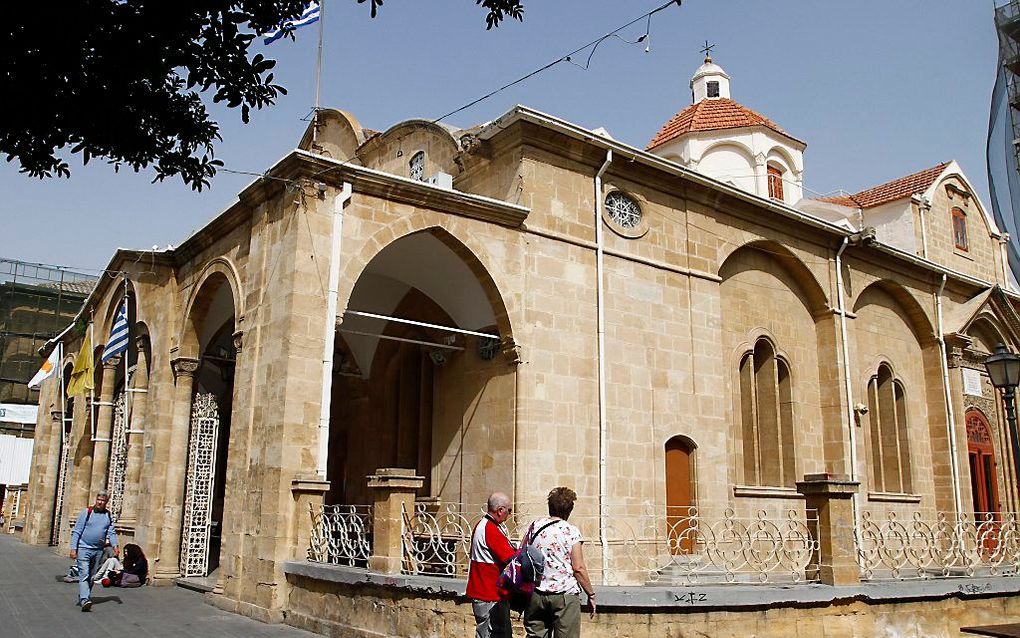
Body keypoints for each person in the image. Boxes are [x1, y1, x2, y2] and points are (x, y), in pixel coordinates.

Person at [523, 487, 596, 638]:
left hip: (536, 594)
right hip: (564, 595)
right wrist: (591, 594)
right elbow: (578, 567)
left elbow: (523, 551)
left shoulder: (535, 526)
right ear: (569, 510)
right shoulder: (571, 531)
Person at [466, 492, 516, 638]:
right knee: (496, 633)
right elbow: (510, 558)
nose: (510, 514)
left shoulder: (481, 525)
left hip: (481, 591)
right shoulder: (490, 529)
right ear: (500, 510)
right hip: (490, 594)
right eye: (509, 510)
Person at [70, 490, 118, 611]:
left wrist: (115, 545)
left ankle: (84, 595)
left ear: (106, 502)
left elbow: (111, 532)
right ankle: (85, 599)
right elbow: (77, 531)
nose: (100, 502)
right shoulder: (87, 512)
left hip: (98, 550)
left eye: (102, 501)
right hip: (83, 548)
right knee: (84, 574)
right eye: (98, 500)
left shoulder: (107, 515)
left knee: (92, 576)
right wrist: (73, 548)